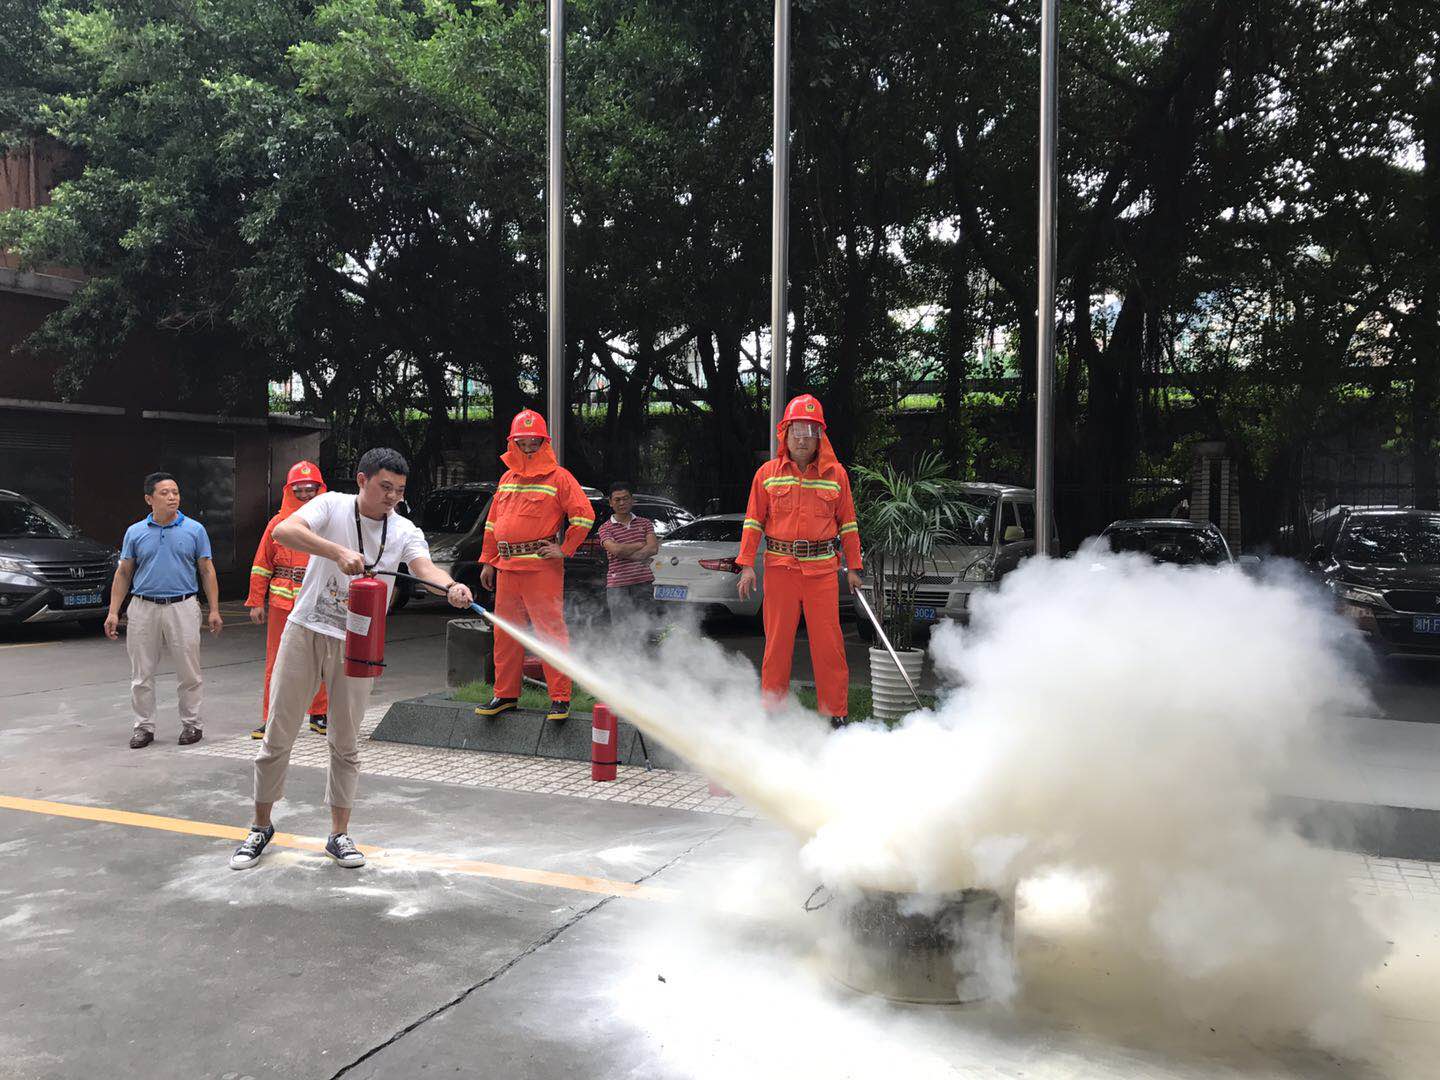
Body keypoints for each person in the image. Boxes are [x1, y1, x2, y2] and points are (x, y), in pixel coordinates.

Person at [230, 448, 473, 870]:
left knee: (345, 743)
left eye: (399, 490)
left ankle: (339, 834)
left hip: (358, 644)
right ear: (362, 480)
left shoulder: (404, 529)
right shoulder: (331, 506)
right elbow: (285, 532)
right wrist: (336, 552)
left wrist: (450, 586)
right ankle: (260, 826)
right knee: (278, 734)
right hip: (305, 629)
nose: (392, 497)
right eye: (385, 487)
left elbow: (424, 568)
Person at [736, 395, 864, 728]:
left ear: (820, 435)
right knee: (777, 644)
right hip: (780, 569)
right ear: (785, 433)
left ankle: (835, 714)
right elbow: (753, 521)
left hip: (823, 571)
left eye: (810, 430)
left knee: (829, 646)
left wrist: (854, 568)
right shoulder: (767, 474)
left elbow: (848, 524)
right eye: (797, 430)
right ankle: (772, 713)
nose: (803, 438)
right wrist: (747, 565)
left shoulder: (836, 475)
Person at [474, 409, 593, 722]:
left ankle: (560, 698)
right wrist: (488, 561)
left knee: (550, 633)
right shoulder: (506, 479)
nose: (527, 448)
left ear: (544, 443)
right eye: (522, 443)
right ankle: (505, 695)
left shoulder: (559, 477)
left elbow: (584, 516)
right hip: (506, 567)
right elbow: (492, 523)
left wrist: (564, 549)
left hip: (541, 569)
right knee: (505, 634)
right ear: (513, 443)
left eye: (533, 442)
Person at [105, 472, 224, 749]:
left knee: (189, 671)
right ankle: (143, 727)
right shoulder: (135, 532)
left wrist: (215, 609)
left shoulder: (195, 530)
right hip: (143, 607)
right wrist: (113, 611)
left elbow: (206, 570)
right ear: (149, 499)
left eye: (175, 492)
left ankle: (192, 724)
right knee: (141, 674)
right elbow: (124, 573)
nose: (172, 497)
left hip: (183, 606)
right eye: (164, 493)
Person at [246, 461, 329, 740]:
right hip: (282, 605)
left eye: (310, 489)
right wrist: (256, 601)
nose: (304, 494)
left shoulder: (329, 524)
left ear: (319, 489)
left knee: (321, 660)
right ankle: (270, 718)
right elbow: (262, 564)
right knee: (276, 662)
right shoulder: (277, 523)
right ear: (289, 491)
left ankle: (320, 713)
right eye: (299, 489)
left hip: (317, 601)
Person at [597, 481, 659, 622]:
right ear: (611, 502)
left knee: (646, 626)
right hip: (618, 587)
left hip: (643, 583)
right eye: (617, 499)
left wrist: (626, 552)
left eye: (625, 498)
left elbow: (653, 548)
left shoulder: (645, 523)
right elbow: (616, 550)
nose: (622, 503)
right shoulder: (605, 528)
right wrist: (640, 544)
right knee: (621, 629)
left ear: (632, 500)